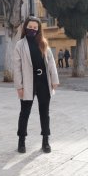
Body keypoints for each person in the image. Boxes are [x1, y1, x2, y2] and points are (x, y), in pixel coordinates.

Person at [13, 16, 59, 154]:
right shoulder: (20, 45)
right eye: (30, 27)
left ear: (38, 29)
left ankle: (45, 140)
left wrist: (54, 81)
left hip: (43, 82)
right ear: (25, 27)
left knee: (45, 113)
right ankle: (21, 140)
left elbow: (51, 63)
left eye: (35, 28)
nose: (32, 30)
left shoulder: (43, 43)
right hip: (28, 82)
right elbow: (17, 67)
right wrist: (19, 86)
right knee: (25, 112)